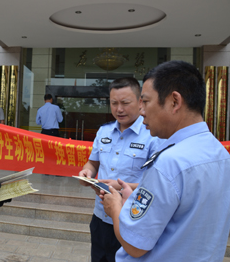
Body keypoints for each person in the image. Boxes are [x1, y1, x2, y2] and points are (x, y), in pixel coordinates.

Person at [101, 61, 230, 261]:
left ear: (174, 102)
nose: (141, 111)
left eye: (146, 101)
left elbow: (135, 245)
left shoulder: (170, 162)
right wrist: (135, 198)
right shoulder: (220, 154)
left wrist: (115, 207)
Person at [78, 77, 162, 262]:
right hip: (100, 217)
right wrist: (87, 173)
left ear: (140, 101)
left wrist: (122, 186)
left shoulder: (153, 136)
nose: (119, 109)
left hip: (133, 220)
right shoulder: (104, 131)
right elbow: (93, 163)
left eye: (125, 103)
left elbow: (158, 185)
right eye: (114, 103)